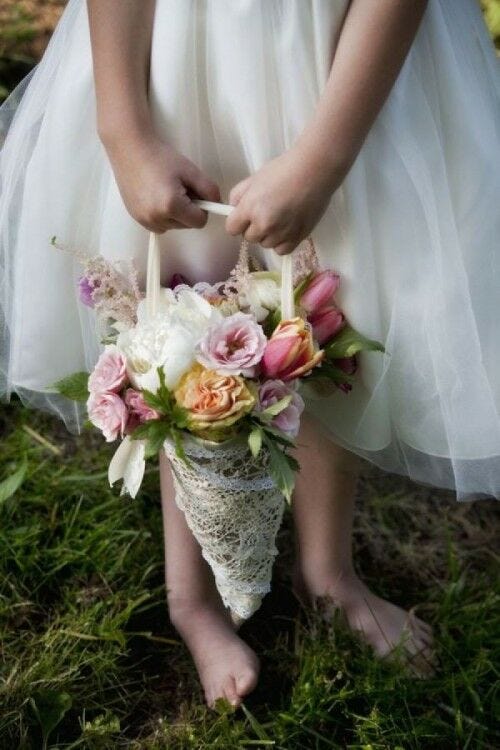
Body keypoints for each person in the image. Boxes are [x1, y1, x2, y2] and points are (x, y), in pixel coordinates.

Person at [1, 0, 499, 708]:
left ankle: (327, 572)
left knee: (336, 303)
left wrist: (323, 158)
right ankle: (191, 594)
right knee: (182, 311)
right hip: (180, 47)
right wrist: (124, 130)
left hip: (339, 61)